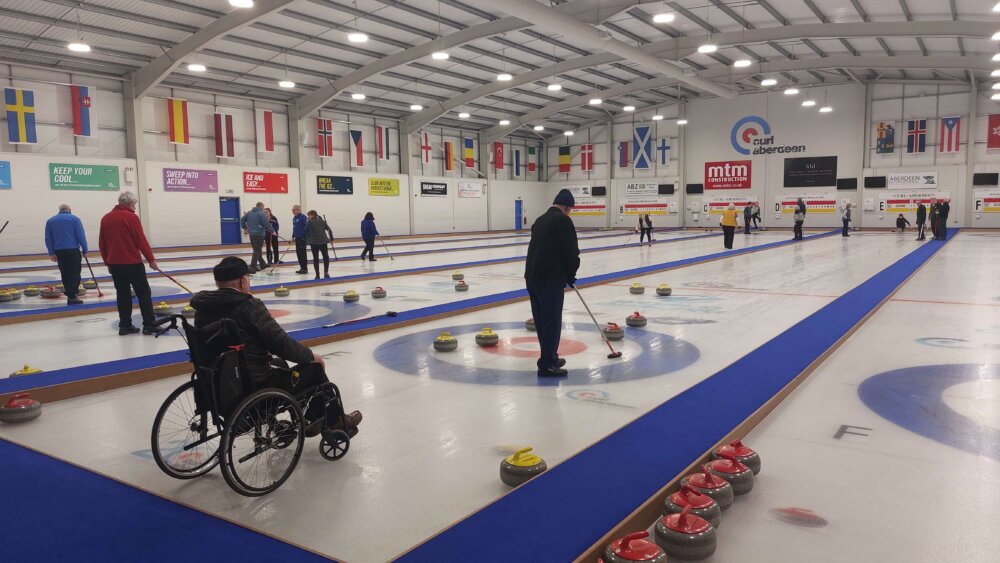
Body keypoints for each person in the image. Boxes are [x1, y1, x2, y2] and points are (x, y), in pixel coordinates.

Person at [191, 256, 361, 437]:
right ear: (243, 281)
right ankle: (333, 420)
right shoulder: (248, 306)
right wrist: (311, 356)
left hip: (219, 385)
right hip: (253, 385)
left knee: (279, 363)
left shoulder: (202, 309)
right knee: (315, 369)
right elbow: (281, 343)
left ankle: (282, 420)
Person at [524, 189, 580, 378]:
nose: (569, 213)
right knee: (552, 321)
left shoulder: (540, 220)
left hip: (532, 277)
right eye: (570, 210)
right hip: (550, 279)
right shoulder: (563, 221)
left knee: (541, 321)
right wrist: (571, 275)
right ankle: (547, 364)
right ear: (565, 207)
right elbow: (571, 252)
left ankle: (550, 356)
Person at [99, 191, 158, 335]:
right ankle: (149, 325)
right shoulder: (131, 217)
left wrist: (107, 262)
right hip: (132, 263)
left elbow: (102, 243)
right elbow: (140, 240)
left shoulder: (106, 218)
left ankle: (125, 325)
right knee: (143, 293)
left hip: (115, 264)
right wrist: (151, 259)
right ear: (129, 203)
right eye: (134, 204)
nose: (135, 207)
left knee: (123, 294)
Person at [44, 204, 88, 305]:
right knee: (75, 273)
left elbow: (48, 238)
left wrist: (51, 252)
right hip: (72, 250)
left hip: (59, 251)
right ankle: (72, 296)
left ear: (59, 210)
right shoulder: (75, 219)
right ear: (69, 210)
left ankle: (70, 294)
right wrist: (85, 250)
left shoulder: (51, 221)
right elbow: (81, 235)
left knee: (65, 272)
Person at [240, 202, 273, 273]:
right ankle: (252, 267)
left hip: (252, 235)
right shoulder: (261, 213)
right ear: (261, 206)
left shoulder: (249, 213)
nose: (263, 209)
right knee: (257, 250)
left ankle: (262, 264)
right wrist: (272, 230)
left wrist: (245, 227)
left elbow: (242, 220)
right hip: (259, 235)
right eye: (263, 207)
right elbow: (266, 223)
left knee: (257, 250)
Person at [306, 210, 333, 278]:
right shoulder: (322, 221)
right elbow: (329, 230)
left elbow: (305, 231)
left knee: (316, 258)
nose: (308, 217)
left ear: (312, 215)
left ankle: (317, 275)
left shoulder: (309, 222)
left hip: (314, 243)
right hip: (323, 242)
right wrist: (331, 239)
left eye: (308, 215)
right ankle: (326, 272)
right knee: (326, 257)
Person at [291, 205, 309, 274]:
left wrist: (305, 236)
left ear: (298, 210)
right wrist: (293, 236)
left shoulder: (303, 217)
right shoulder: (294, 218)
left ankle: (305, 268)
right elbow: (294, 228)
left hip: (302, 238)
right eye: (292, 210)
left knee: (302, 254)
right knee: (298, 253)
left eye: (294, 210)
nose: (293, 211)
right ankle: (301, 268)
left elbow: (307, 227)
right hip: (297, 238)